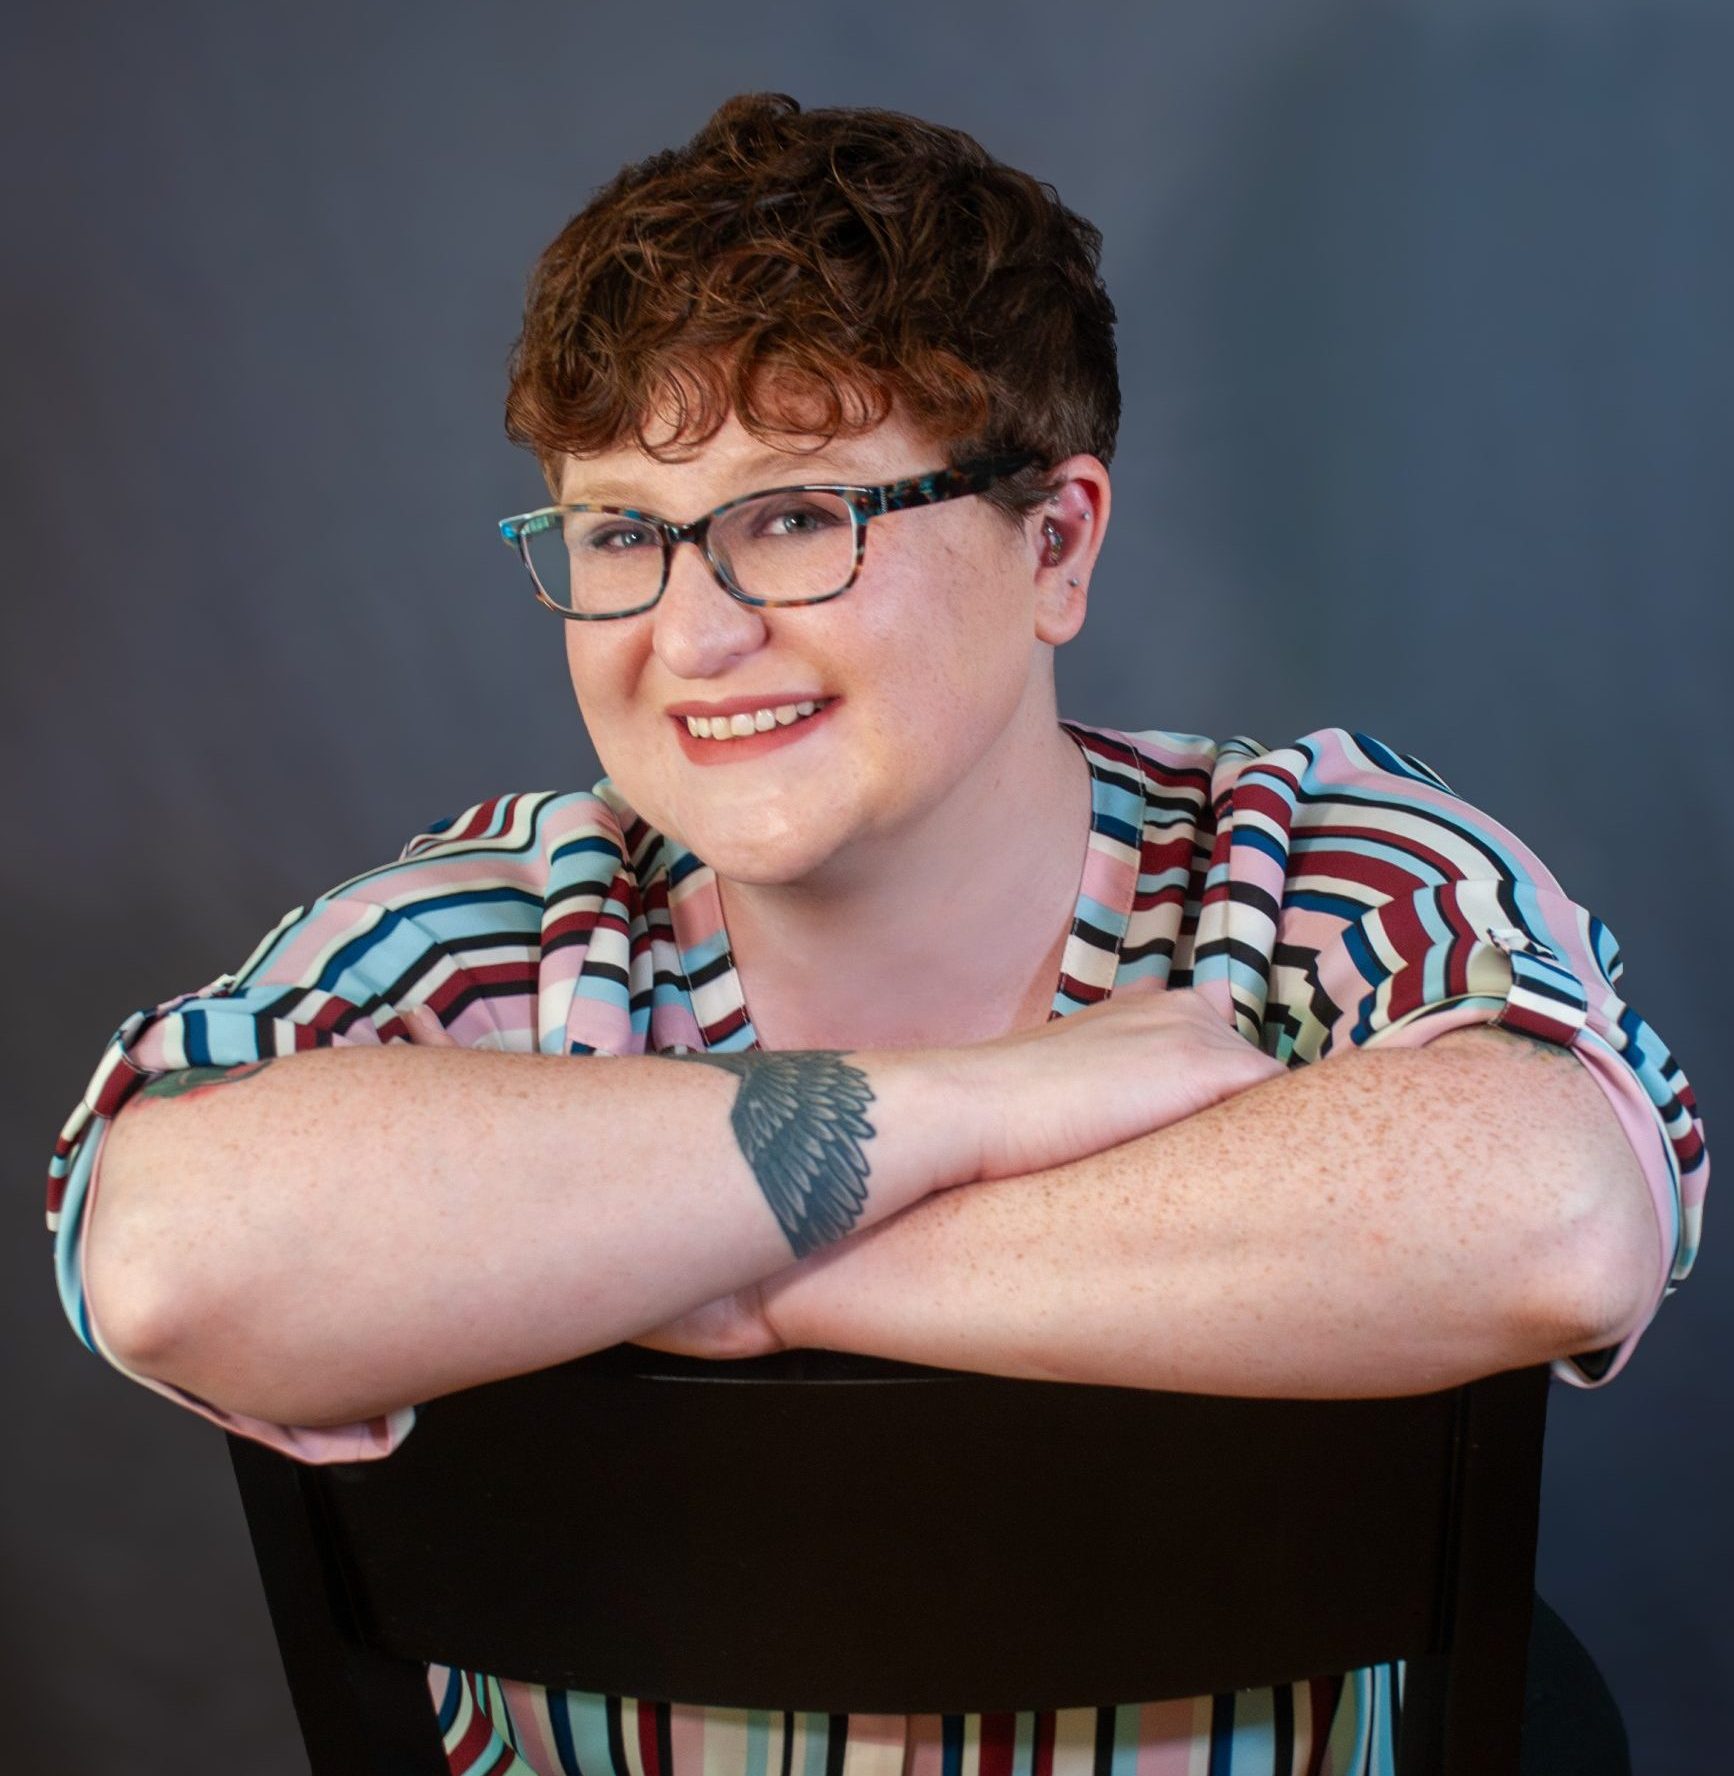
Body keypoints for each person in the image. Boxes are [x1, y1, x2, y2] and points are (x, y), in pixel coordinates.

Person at [46, 92, 1706, 1776]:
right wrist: (942, 1112)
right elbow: (166, 1249)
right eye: (622, 532)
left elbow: (1552, 1210)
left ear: (1053, 545)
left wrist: (731, 1280)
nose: (691, 636)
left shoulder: (1316, 878)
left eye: (794, 517)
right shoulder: (485, 936)